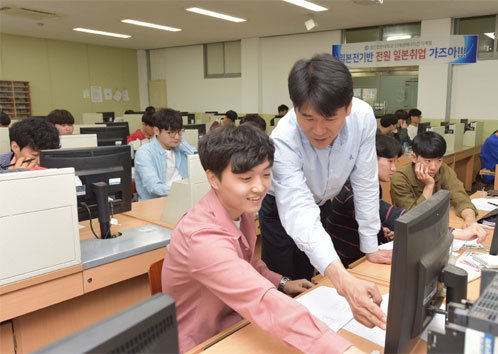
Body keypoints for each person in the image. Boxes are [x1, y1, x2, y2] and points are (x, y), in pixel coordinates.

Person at [162, 125, 356, 354]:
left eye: (266, 174)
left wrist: (282, 282)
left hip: (238, 323)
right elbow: (259, 298)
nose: (260, 187)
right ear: (213, 179)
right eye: (246, 178)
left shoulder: (238, 211)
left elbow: (245, 265)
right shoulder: (202, 237)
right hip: (205, 341)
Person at [260, 53, 389, 331]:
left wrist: (370, 245)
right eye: (307, 118)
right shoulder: (283, 138)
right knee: (285, 282)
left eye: (329, 118)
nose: (318, 130)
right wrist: (344, 282)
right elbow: (298, 212)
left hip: (320, 203)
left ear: (348, 107)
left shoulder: (364, 118)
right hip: (279, 208)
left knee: (308, 275)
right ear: (294, 110)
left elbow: (366, 181)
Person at [327, 134, 490, 267]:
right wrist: (458, 234)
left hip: (368, 251)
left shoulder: (369, 183)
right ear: (368, 159)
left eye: (395, 161)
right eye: (390, 161)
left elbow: (374, 216)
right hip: (349, 262)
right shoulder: (354, 190)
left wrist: (381, 229)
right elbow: (399, 215)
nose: (394, 168)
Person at [390, 131, 479, 228]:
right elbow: (413, 218)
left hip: (436, 224)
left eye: (439, 160)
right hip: (411, 231)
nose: (433, 167)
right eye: (428, 161)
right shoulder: (400, 178)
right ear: (414, 158)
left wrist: (470, 220)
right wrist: (429, 186)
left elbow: (460, 198)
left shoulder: (443, 169)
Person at [134, 108, 196, 201]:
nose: (177, 137)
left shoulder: (180, 149)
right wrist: (184, 190)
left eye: (179, 132)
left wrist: (181, 143)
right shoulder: (144, 153)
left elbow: (199, 160)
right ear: (156, 131)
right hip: (156, 204)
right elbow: (154, 187)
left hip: (184, 199)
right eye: (171, 133)